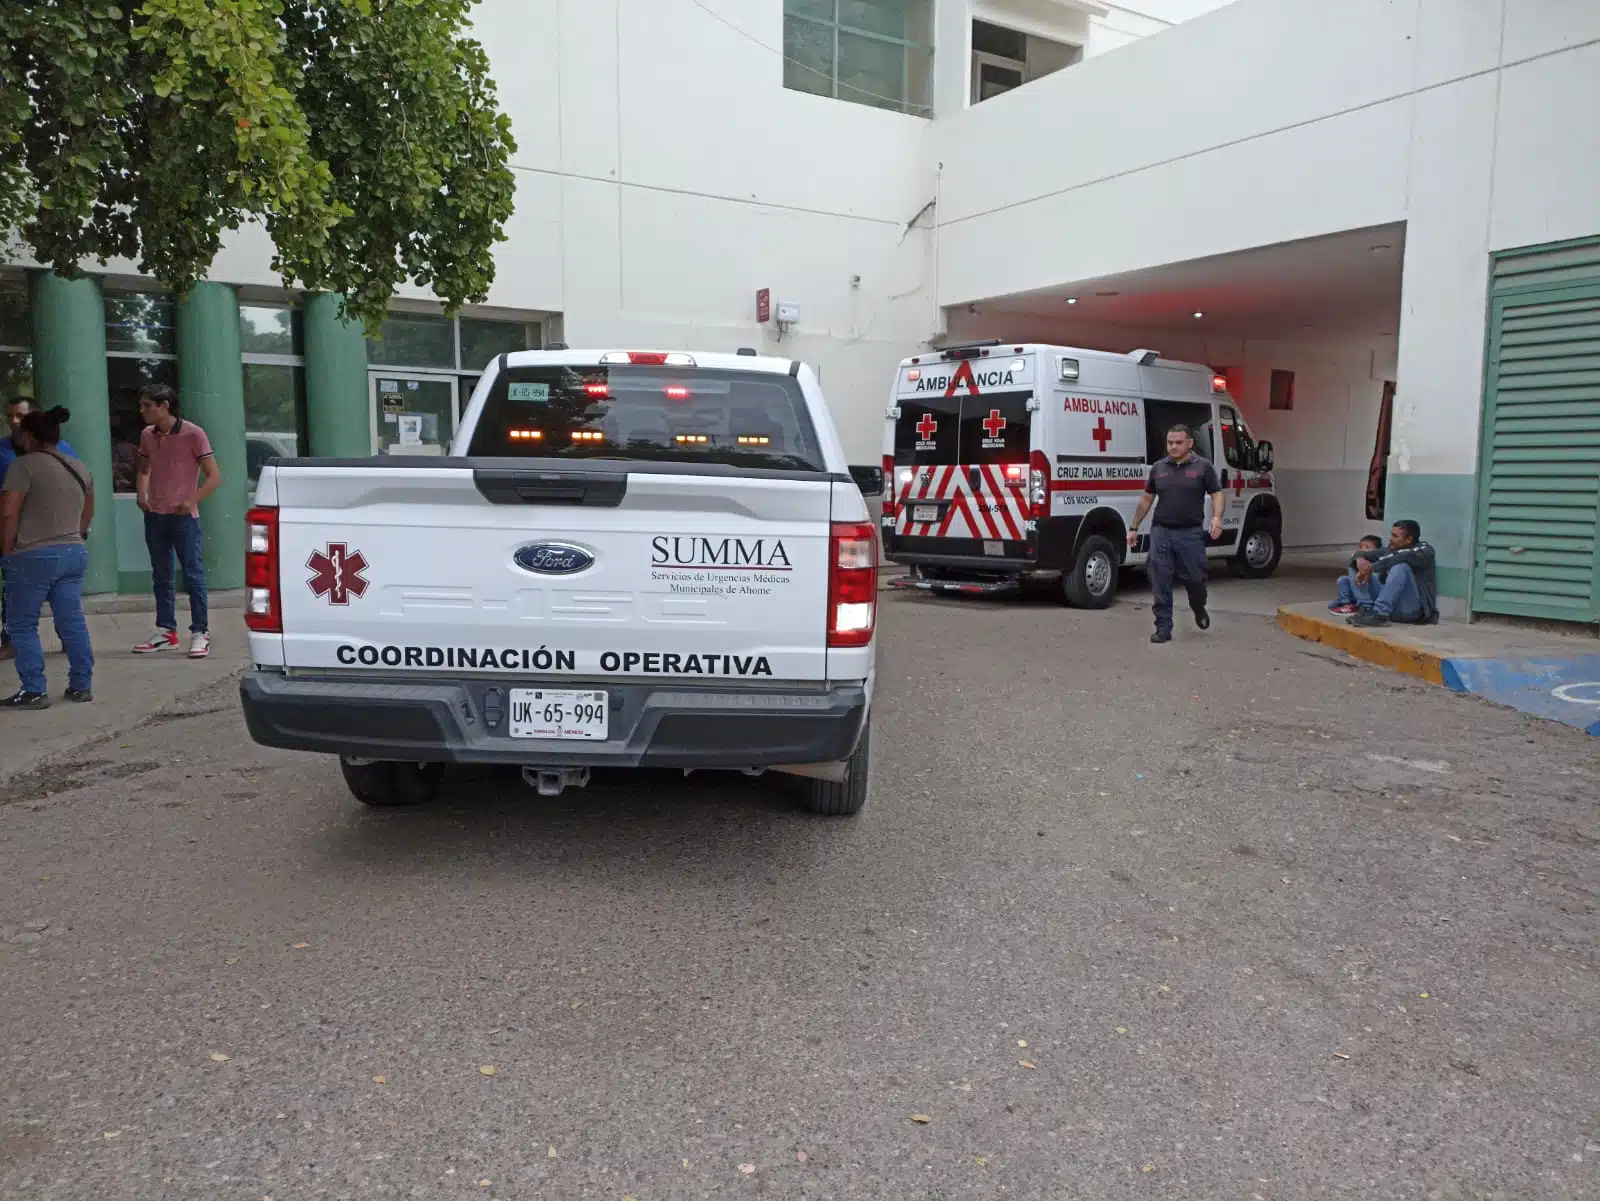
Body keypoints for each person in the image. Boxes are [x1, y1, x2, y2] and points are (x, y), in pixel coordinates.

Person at [0, 405, 94, 709]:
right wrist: (74, 534)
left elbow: (8, 513)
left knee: (22, 624)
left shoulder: (22, 466)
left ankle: (34, 690)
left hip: (32, 556)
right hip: (73, 552)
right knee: (71, 621)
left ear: (28, 435)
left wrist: (7, 550)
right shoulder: (78, 466)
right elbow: (87, 511)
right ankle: (81, 684)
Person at [133, 384, 221, 658]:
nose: (142, 411)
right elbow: (144, 467)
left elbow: (214, 477)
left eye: (148, 405)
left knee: (193, 575)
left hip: (184, 518)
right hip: (155, 516)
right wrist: (141, 493)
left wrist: (192, 500)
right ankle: (166, 631)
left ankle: (200, 632)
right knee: (161, 576)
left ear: (164, 406)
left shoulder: (193, 434)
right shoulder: (147, 435)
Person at [1127, 423, 1225, 644]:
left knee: (1195, 579)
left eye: (1178, 442)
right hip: (1162, 531)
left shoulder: (1203, 468)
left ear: (1189, 443)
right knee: (1160, 579)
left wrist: (1217, 518)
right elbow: (1146, 498)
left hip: (1190, 533)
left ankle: (1198, 607)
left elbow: (1217, 493)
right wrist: (1134, 527)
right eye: (1170, 443)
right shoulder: (1159, 468)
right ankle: (1163, 627)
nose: (1173, 447)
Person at [0, 396, 77, 661]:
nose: (13, 422)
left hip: (49, 535)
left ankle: (68, 641)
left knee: (61, 595)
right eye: (9, 416)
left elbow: (78, 491)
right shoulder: (3, 450)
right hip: (14, 532)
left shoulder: (63, 451)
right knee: (12, 593)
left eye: (19, 416)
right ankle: (10, 641)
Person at [1344, 519, 1438, 627]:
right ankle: (1366, 608)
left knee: (1400, 567)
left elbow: (1403, 556)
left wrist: (1371, 567)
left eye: (1395, 536)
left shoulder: (1425, 551)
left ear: (1408, 539)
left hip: (1411, 610)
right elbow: (1360, 553)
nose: (1390, 539)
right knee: (1355, 565)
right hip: (1393, 608)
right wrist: (1360, 560)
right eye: (1391, 535)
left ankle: (1380, 614)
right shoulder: (1390, 549)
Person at [1328, 534, 1384, 614]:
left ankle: (1366, 605)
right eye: (1361, 547)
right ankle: (1347, 603)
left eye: (1367, 547)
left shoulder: (1379, 561)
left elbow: (1375, 579)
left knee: (1357, 571)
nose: (1363, 550)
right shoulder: (1359, 559)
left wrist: (1365, 571)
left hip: (1373, 594)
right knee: (1343, 579)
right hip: (1359, 592)